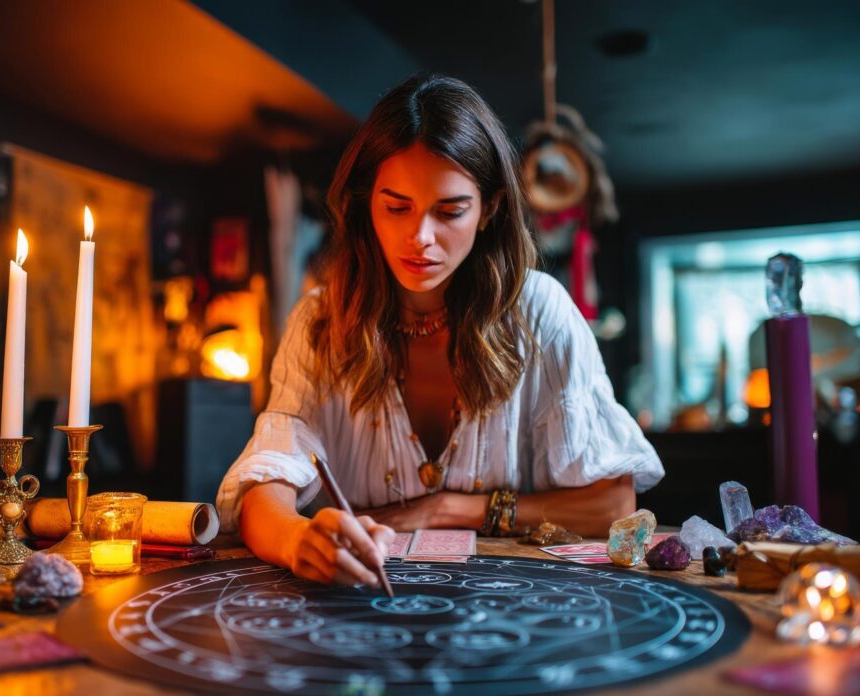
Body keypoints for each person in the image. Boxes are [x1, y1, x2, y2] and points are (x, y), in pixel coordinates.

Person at [217, 74, 663, 589]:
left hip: (511, 609)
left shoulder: (540, 312)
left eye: (450, 211)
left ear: (490, 209)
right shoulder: (321, 319)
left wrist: (448, 508)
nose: (420, 238)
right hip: (360, 606)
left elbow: (613, 503)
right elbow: (266, 482)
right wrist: (297, 539)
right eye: (396, 207)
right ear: (366, 205)